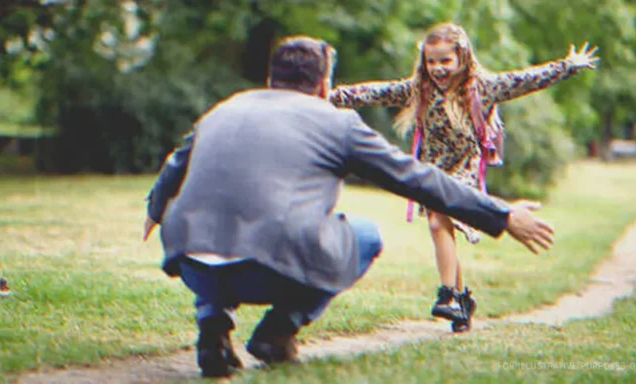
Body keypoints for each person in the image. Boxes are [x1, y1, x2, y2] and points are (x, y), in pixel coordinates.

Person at [142, 35, 555, 378]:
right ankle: (278, 330)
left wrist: (155, 208)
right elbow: (417, 178)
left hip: (191, 262)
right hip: (269, 269)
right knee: (365, 235)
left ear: (271, 79)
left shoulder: (224, 108)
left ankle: (212, 324)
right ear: (325, 86)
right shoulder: (338, 124)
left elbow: (177, 161)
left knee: (219, 221)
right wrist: (501, 214)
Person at [328, 22, 598, 332]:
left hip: (466, 167)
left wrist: (568, 67)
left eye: (445, 61)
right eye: (432, 61)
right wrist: (330, 95)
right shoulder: (420, 88)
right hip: (432, 168)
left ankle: (448, 295)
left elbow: (526, 80)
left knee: (436, 221)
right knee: (443, 228)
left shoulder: (482, 87)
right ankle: (461, 300)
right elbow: (376, 92)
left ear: (463, 58)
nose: (438, 68)